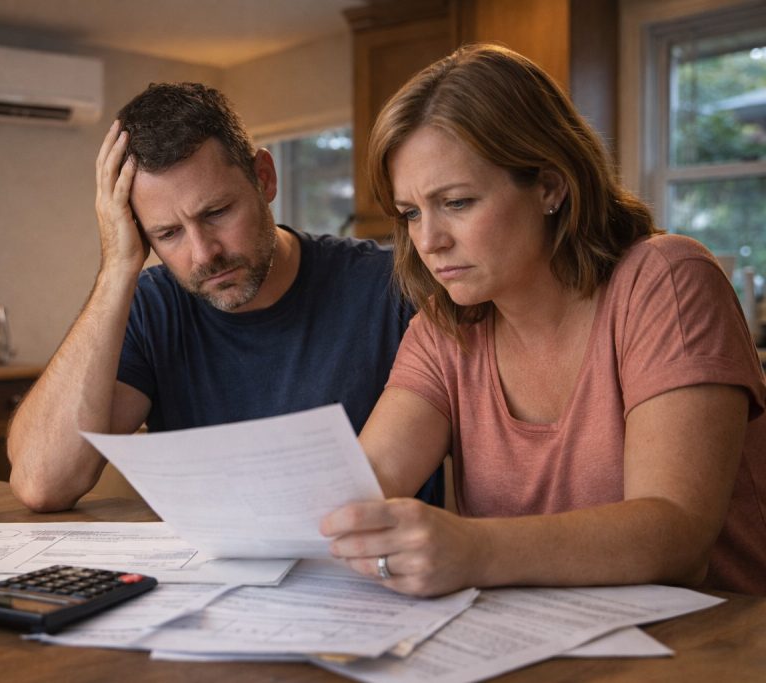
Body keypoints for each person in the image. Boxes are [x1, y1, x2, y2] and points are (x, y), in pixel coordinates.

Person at [321, 44, 766, 597]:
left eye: (456, 202)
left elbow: (677, 537)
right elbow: (359, 489)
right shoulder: (444, 330)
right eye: (411, 213)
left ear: (551, 185)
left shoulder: (665, 279)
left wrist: (474, 548)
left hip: (715, 646)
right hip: (548, 645)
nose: (428, 240)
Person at [8, 82, 443, 513]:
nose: (204, 254)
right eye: (168, 233)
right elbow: (43, 483)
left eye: (216, 213)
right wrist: (116, 268)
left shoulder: (391, 286)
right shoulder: (151, 309)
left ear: (265, 178)